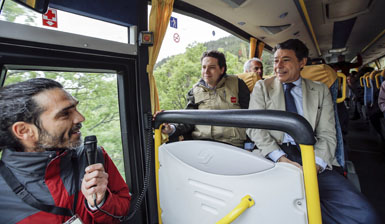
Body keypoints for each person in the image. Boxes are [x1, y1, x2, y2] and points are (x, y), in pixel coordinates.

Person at [246, 39, 380, 224]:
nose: (278, 66)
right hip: (274, 155)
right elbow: (255, 127)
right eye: (276, 60)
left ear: (302, 62)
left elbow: (327, 134)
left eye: (286, 60)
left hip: (312, 154)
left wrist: (313, 166)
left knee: (365, 217)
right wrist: (281, 158)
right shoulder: (263, 88)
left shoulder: (320, 90)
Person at [0, 78, 131, 223]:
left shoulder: (93, 158)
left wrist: (101, 202)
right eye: (65, 114)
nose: (81, 118)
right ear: (24, 131)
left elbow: (125, 207)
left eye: (75, 108)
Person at [161, 50, 250, 148]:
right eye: (204, 67)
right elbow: (188, 120)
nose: (206, 72)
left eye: (212, 68)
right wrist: (171, 129)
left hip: (232, 144)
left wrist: (249, 145)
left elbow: (251, 116)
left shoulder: (237, 84)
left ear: (222, 69)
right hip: (202, 144)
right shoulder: (195, 91)